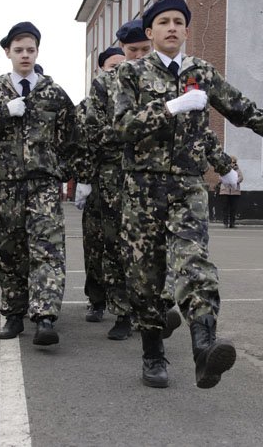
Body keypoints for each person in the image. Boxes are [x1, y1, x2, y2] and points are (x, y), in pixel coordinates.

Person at [114, 0, 263, 388]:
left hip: (187, 185)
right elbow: (122, 128)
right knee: (146, 276)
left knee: (194, 264)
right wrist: (171, 107)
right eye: (163, 22)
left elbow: (239, 107)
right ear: (150, 32)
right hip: (142, 189)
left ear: (185, 31)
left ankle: (204, 348)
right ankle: (153, 355)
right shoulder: (130, 75)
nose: (171, 27)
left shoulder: (201, 71)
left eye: (178, 22)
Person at [0, 21, 79, 346]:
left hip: (42, 186)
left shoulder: (53, 94)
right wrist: (2, 113)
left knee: (48, 249)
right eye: (19, 50)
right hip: (3, 187)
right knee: (7, 250)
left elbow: (73, 136)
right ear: (7, 53)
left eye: (30, 49)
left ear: (37, 51)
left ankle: (45, 317)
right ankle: (14, 312)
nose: (25, 55)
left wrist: (60, 170)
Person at [75, 20, 151, 340]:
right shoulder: (105, 85)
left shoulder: (161, 79)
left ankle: (149, 308)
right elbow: (89, 132)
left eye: (143, 51)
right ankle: (120, 310)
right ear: (121, 48)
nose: (136, 57)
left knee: (147, 246)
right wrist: (84, 177)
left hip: (150, 175)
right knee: (112, 244)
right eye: (131, 51)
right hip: (111, 174)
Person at [219, 156, 244, 228]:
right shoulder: (224, 169)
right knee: (225, 208)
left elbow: (241, 178)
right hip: (225, 191)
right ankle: (225, 223)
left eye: (234, 162)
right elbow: (220, 177)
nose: (232, 164)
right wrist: (227, 180)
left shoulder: (238, 170)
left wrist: (235, 181)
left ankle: (232, 223)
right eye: (231, 162)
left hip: (234, 192)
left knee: (233, 208)